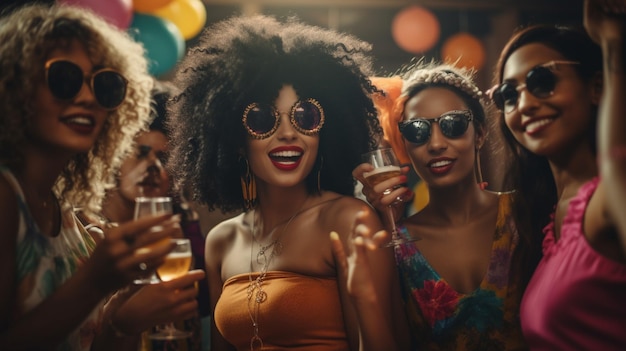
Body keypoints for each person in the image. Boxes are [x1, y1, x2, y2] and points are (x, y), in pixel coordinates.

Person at [166, 14, 409, 351]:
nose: (287, 133)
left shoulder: (349, 221)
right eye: (262, 118)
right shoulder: (221, 241)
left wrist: (366, 299)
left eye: (305, 116)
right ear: (235, 139)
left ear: (324, 132)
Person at [0, 4, 202, 350]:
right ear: (17, 88)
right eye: (64, 79)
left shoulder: (73, 225)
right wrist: (93, 282)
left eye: (105, 85)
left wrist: (120, 322)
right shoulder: (5, 197)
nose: (87, 97)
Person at [352, 62, 532, 350]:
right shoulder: (397, 246)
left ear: (480, 134)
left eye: (453, 125)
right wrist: (382, 223)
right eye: (417, 130)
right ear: (406, 144)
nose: (436, 143)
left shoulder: (525, 214)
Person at [489, 0, 626, 349]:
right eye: (508, 95)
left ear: (596, 87)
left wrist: (612, 44)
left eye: (542, 80)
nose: (524, 105)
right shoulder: (544, 221)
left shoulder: (611, 197)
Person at [101, 80, 210, 351]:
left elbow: (201, 309)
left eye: (164, 159)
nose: (151, 167)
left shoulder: (182, 230)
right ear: (115, 156)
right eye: (140, 153)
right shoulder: (84, 233)